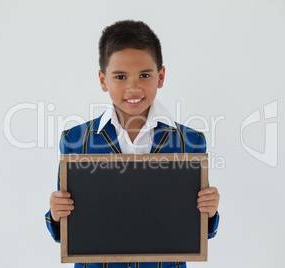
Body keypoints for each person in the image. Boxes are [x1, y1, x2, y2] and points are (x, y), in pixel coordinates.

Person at [45, 20, 220, 268]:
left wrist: (209, 210)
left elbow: (198, 230)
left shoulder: (189, 142)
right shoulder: (75, 140)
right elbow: (66, 231)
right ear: (103, 80)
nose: (133, 87)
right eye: (120, 76)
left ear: (160, 77)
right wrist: (55, 213)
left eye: (145, 75)